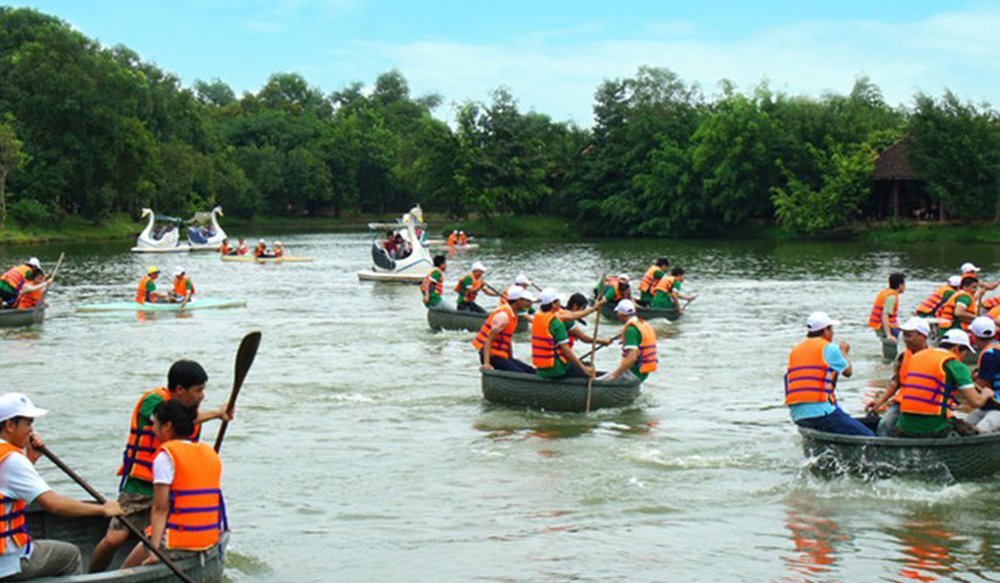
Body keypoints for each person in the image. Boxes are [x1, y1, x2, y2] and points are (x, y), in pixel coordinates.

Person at [89, 360, 230, 573]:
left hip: (171, 487)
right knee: (115, 538)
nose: (202, 396)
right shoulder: (153, 401)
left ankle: (135, 569)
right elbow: (176, 418)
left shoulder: (190, 411)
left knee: (152, 535)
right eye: (198, 390)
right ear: (180, 390)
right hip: (141, 485)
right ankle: (94, 574)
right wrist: (218, 413)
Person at [0, 392, 122, 579]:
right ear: (9, 425)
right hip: (7, 562)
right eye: (28, 423)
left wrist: (30, 458)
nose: (31, 431)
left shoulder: (9, 458)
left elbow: (8, 484)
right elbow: (54, 504)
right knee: (70, 555)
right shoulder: (13, 460)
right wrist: (102, 510)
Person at [121, 401, 226, 568]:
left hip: (180, 541)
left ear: (167, 426)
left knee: (126, 569)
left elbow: (160, 509)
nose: (153, 429)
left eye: (155, 423)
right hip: (210, 537)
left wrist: (154, 551)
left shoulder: (166, 456)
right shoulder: (209, 453)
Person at [784, 311, 873, 436]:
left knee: (840, 416)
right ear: (825, 330)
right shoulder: (829, 348)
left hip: (797, 415)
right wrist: (844, 353)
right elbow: (848, 372)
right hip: (819, 413)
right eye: (831, 329)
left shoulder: (796, 349)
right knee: (868, 435)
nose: (832, 333)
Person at [894, 330, 994, 438]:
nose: (964, 357)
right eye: (965, 352)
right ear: (956, 348)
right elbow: (976, 402)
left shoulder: (917, 357)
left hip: (903, 425)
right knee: (970, 431)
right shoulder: (956, 366)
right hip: (934, 428)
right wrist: (986, 393)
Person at [866, 317, 930, 436]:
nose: (906, 340)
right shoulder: (903, 357)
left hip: (925, 404)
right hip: (903, 402)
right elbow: (895, 383)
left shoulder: (934, 359)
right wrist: (879, 402)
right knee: (885, 424)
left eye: (910, 335)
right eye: (904, 335)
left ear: (923, 337)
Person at [531, 289, 596, 379]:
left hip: (541, 368)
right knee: (589, 370)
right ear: (553, 304)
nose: (560, 304)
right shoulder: (557, 323)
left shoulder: (537, 318)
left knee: (583, 365)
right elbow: (567, 350)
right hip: (557, 369)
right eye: (558, 301)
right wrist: (583, 368)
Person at [471, 287, 535, 373]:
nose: (529, 304)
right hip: (492, 356)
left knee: (531, 371)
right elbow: (488, 339)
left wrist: (511, 358)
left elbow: (507, 339)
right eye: (526, 301)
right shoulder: (503, 316)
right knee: (521, 373)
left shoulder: (513, 314)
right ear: (517, 301)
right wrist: (486, 363)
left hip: (501, 354)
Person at [598, 299, 658, 381]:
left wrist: (614, 375)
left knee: (600, 380)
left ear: (622, 314)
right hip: (643, 372)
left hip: (634, 372)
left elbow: (632, 358)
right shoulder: (642, 323)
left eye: (618, 312)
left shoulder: (631, 330)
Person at [966, 317, 1000, 433]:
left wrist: (964, 382)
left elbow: (981, 386)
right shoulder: (996, 348)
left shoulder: (989, 355)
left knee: (978, 432)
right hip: (989, 406)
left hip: (996, 407)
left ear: (974, 337)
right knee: (966, 424)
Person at [868, 273, 906, 340]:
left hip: (883, 326)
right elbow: (885, 315)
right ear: (900, 285)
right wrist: (889, 335)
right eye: (904, 284)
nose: (905, 287)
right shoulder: (891, 297)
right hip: (884, 328)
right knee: (909, 337)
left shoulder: (886, 292)